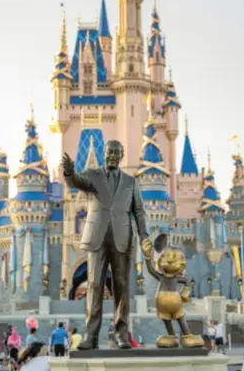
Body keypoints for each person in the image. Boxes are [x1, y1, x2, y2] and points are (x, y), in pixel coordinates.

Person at [62, 140, 151, 350]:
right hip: (97, 238)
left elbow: (139, 210)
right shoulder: (93, 175)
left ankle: (121, 335)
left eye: (116, 153)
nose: (112, 156)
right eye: (109, 152)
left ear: (121, 156)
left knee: (122, 287)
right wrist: (69, 172)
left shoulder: (130, 182)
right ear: (104, 153)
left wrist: (144, 235)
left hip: (122, 238)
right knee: (93, 285)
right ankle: (91, 336)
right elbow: (76, 182)